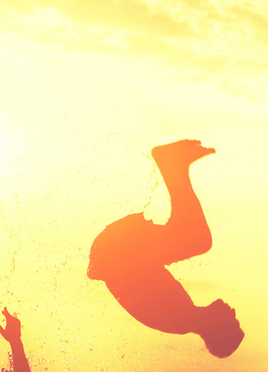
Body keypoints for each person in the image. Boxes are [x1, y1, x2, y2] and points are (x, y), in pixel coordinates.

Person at [87, 139, 244, 357]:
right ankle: (176, 166)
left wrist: (149, 247)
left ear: (219, 331)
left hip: (115, 254)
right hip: (115, 253)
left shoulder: (180, 318)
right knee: (192, 237)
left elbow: (134, 279)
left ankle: (171, 163)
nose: (234, 313)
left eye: (234, 322)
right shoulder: (183, 316)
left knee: (197, 239)